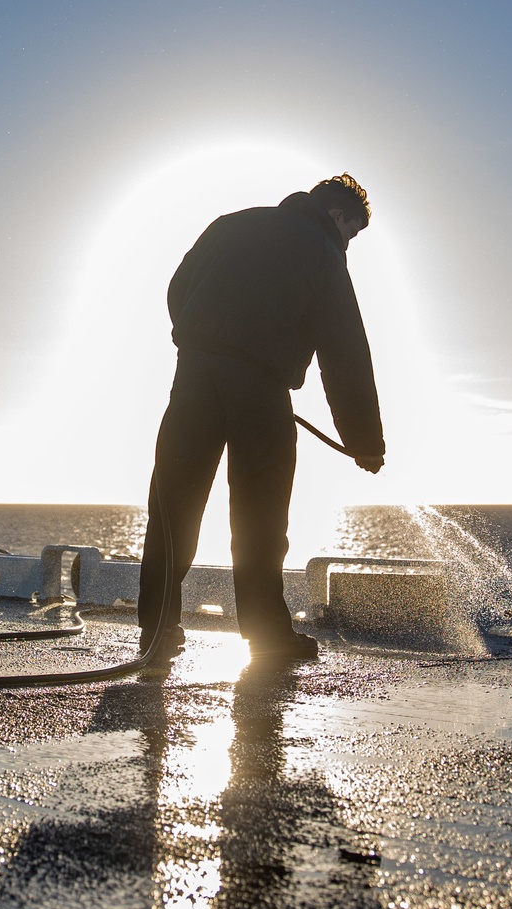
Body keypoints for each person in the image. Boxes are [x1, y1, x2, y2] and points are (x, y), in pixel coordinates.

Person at [137, 173, 385, 664]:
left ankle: (157, 630)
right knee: (260, 518)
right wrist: (364, 441)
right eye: (351, 233)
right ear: (337, 216)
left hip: (193, 380)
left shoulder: (230, 225)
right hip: (263, 391)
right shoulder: (322, 251)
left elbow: (178, 288)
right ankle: (267, 634)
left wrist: (200, 339)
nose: (347, 244)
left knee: (173, 510)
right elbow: (345, 352)